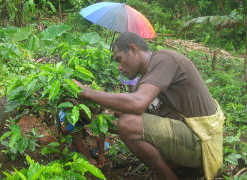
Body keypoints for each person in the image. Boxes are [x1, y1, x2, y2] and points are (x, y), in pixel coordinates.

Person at [73, 32, 225, 180]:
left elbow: (137, 104)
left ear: (133, 49)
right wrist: (94, 110)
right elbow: (122, 112)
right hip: (189, 141)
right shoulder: (146, 79)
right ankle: (176, 168)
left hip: (201, 144)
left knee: (128, 123)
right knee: (120, 121)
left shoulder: (165, 59)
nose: (119, 67)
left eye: (119, 59)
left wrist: (87, 92)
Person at [58, 100, 108, 168]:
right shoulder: (72, 117)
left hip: (84, 117)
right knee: (67, 132)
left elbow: (100, 133)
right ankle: (70, 146)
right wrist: (88, 158)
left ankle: (82, 142)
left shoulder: (98, 112)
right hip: (72, 119)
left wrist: (101, 153)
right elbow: (77, 138)